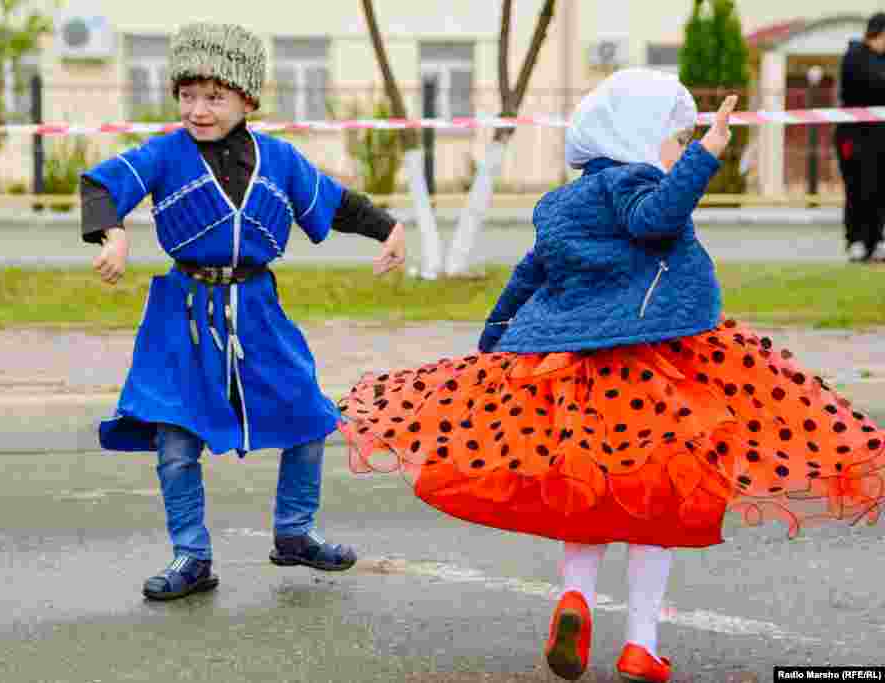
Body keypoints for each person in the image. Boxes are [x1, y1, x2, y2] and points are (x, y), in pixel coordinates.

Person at [338, 69, 885, 682]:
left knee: (587, 496)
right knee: (655, 506)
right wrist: (708, 154)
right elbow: (658, 218)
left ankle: (574, 601)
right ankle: (641, 645)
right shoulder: (636, 183)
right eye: (674, 138)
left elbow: (529, 275)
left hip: (571, 370)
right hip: (652, 371)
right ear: (638, 135)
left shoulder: (560, 201)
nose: (679, 151)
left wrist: (494, 341)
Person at [80, 21, 407, 601]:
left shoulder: (279, 160)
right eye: (187, 96)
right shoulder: (164, 154)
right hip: (182, 314)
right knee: (176, 438)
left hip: (257, 309)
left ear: (247, 98)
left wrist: (389, 229)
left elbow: (335, 204)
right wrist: (115, 236)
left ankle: (295, 531)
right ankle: (191, 554)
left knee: (308, 414)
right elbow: (101, 189)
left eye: (214, 97)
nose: (198, 110)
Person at [835, 12, 885, 262]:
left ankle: (876, 241)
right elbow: (869, 87)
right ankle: (856, 240)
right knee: (858, 188)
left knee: (879, 190)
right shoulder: (854, 56)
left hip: (880, 137)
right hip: (854, 136)